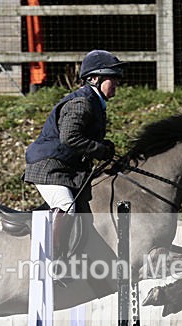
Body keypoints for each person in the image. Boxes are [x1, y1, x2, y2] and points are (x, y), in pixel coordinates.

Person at [24, 49, 124, 259]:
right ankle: (54, 260)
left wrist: (103, 147)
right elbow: (70, 138)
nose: (116, 84)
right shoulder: (82, 103)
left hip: (66, 167)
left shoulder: (94, 102)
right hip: (50, 166)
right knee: (65, 207)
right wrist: (100, 150)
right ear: (94, 79)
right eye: (112, 78)